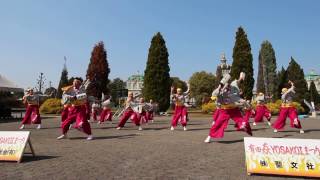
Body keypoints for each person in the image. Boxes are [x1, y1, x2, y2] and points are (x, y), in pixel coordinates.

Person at [204, 72, 252, 143]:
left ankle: (246, 130)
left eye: (228, 82)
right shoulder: (219, 90)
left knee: (242, 122)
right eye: (226, 82)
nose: (227, 84)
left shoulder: (233, 85)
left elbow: (237, 82)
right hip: (225, 110)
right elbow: (213, 96)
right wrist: (219, 88)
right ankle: (209, 136)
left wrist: (241, 77)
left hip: (234, 110)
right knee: (217, 124)